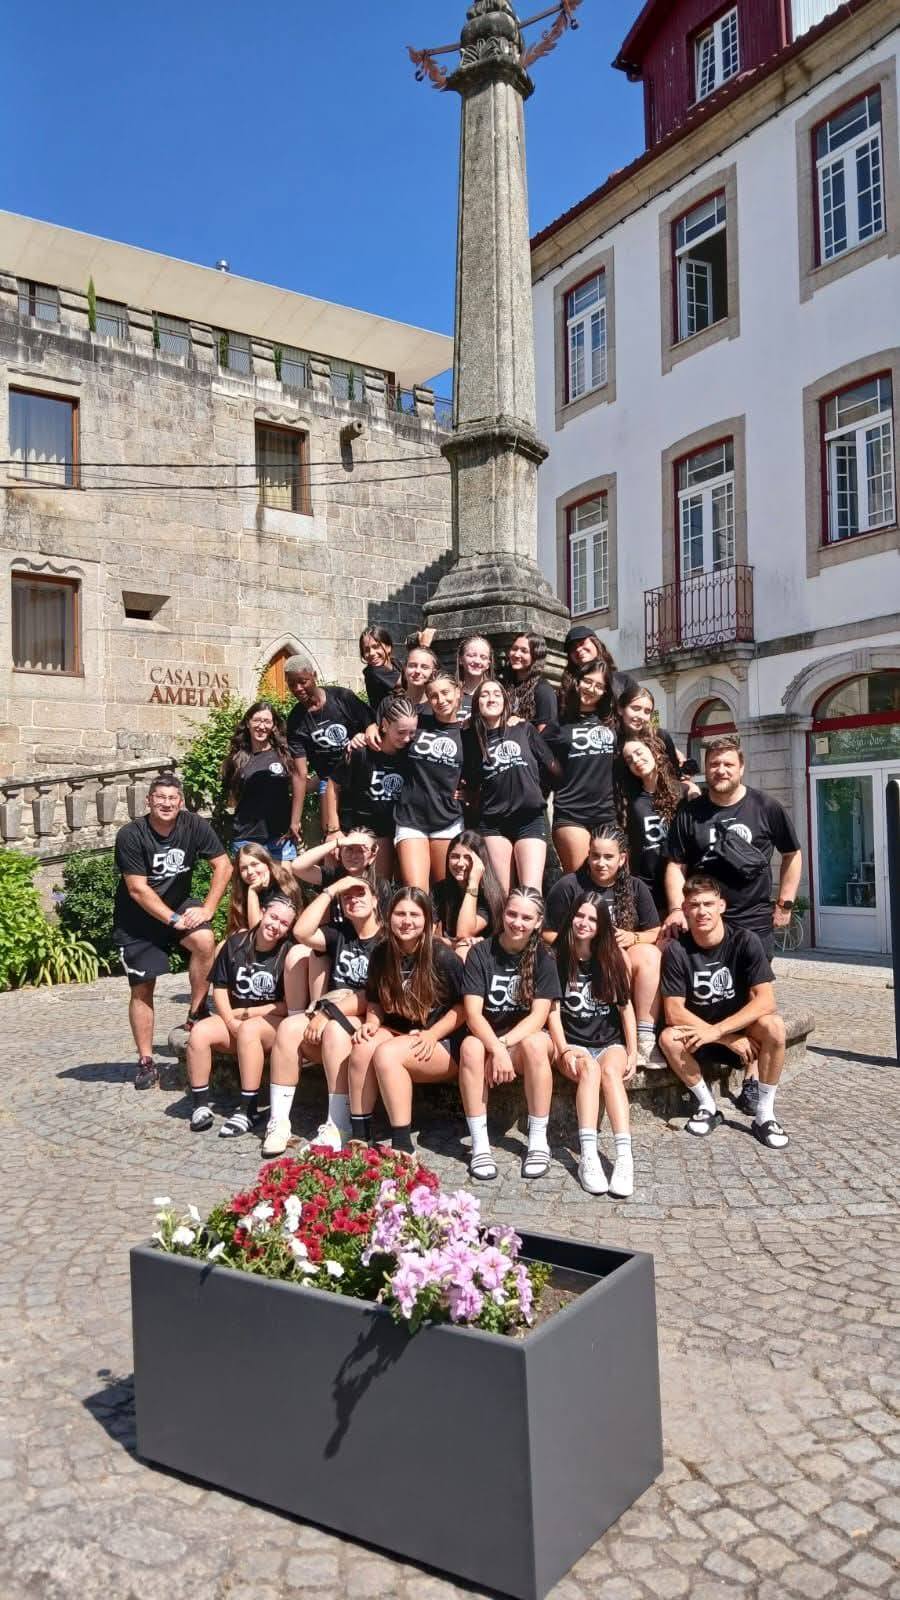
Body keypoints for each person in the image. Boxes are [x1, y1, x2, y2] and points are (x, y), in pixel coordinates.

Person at [662, 734, 802, 1113]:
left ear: (741, 767)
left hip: (752, 917)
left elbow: (792, 854)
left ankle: (753, 1077)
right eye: (714, 764)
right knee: (709, 990)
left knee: (755, 999)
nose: (720, 770)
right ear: (706, 769)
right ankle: (713, 1047)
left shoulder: (765, 807)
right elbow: (675, 864)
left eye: (727, 764)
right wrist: (676, 908)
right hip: (704, 919)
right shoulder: (690, 812)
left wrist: (785, 903)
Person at [112, 773, 231, 1090]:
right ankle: (146, 1061)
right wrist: (173, 919)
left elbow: (223, 865)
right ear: (149, 800)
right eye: (160, 797)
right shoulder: (131, 835)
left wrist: (208, 909)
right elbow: (137, 889)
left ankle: (196, 1012)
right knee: (143, 987)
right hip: (137, 920)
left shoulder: (193, 825)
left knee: (205, 940)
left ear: (180, 802)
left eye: (172, 798)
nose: (166, 803)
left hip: (177, 903)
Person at [659, 875, 789, 1149]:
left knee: (774, 1026)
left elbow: (766, 1001)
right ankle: (707, 1105)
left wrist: (721, 1031)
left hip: (740, 1035)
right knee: (668, 1038)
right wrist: (724, 1038)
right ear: (685, 909)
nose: (702, 911)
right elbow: (673, 1012)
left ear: (722, 906)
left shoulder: (745, 941)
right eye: (695, 905)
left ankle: (765, 1114)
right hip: (701, 1036)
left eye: (708, 904)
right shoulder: (677, 950)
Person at [262, 874, 384, 1156]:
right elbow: (301, 932)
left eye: (361, 894)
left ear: (375, 900)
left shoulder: (386, 940)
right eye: (347, 896)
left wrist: (328, 1013)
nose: (353, 899)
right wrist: (332, 890)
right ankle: (279, 1122)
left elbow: (376, 994)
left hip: (366, 1012)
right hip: (334, 1007)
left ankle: (338, 1124)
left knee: (335, 1031)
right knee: (289, 1028)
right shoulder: (340, 933)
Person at [347, 887, 466, 1150]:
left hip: (443, 1041)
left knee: (387, 1054)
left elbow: (464, 1007)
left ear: (427, 921)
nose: (406, 921)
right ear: (389, 916)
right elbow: (374, 999)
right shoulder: (381, 953)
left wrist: (433, 1034)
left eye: (415, 914)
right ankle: (360, 1135)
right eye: (400, 914)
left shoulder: (443, 957)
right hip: (400, 1032)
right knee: (362, 1045)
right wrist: (371, 1022)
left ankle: (402, 1146)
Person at [459, 887, 562, 1181]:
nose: (517, 922)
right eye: (512, 914)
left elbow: (539, 1016)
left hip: (522, 1043)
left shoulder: (544, 956)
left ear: (538, 922)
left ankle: (538, 1141)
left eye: (526, 918)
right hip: (488, 1040)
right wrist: (495, 1048)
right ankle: (480, 1144)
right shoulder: (481, 952)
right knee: (470, 1047)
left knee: (535, 1043)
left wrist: (503, 1046)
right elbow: (473, 1014)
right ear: (502, 914)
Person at [544, 824, 663, 1066]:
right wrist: (580, 942)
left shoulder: (635, 886)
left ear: (622, 859)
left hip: (621, 961)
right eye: (595, 856)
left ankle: (644, 1038)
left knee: (649, 954)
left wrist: (634, 938)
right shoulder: (569, 886)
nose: (601, 863)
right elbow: (547, 932)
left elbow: (654, 931)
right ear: (588, 855)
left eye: (608, 857)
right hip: (581, 958)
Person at [548, 893, 638, 1198]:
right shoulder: (556, 957)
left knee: (610, 1073)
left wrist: (633, 1051)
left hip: (609, 1042)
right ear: (571, 917)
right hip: (574, 1043)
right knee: (589, 1069)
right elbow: (552, 1011)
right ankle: (588, 1155)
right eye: (580, 915)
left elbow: (625, 1008)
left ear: (601, 925)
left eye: (592, 918)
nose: (584, 923)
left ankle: (624, 1157)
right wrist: (563, 1049)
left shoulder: (612, 957)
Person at [185, 895, 295, 1136]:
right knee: (199, 1032)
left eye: (284, 923)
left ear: (288, 930)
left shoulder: (289, 953)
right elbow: (220, 988)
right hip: (235, 1019)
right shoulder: (235, 944)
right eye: (273, 917)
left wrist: (246, 1014)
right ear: (263, 913)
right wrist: (229, 1020)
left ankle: (248, 1109)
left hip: (270, 1024)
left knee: (249, 1029)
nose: (276, 926)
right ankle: (200, 1105)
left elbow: (287, 1006)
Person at [462, 679, 558, 894]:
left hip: (529, 818)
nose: (491, 698)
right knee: (502, 894)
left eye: (497, 694)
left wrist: (536, 790)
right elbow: (467, 777)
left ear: (506, 702)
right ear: (476, 703)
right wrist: (465, 794)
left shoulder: (523, 728)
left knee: (531, 892)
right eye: (484, 694)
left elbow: (551, 765)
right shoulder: (470, 738)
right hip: (493, 822)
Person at [329, 694, 418, 879]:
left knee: (378, 886)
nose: (407, 738)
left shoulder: (410, 754)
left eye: (412, 733)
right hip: (353, 829)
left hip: (386, 832)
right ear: (384, 725)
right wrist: (333, 830)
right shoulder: (361, 751)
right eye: (401, 732)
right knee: (342, 884)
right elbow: (333, 786)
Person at [393, 673, 465, 891]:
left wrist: (471, 793)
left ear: (458, 692)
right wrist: (368, 730)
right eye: (433, 695)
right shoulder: (418, 721)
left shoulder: (469, 732)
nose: (440, 700)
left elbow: (480, 773)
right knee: (416, 892)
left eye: (445, 692)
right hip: (411, 818)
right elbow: (387, 727)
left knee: (445, 893)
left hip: (447, 819)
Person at [545, 661, 619, 873]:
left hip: (606, 812)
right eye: (587, 681)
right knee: (582, 879)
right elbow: (535, 747)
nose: (591, 689)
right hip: (571, 812)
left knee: (613, 878)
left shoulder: (611, 721)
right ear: (577, 682)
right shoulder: (560, 722)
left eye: (599, 685)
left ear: (605, 692)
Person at [284, 660, 370, 842]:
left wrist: (363, 736)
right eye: (292, 684)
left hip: (361, 774)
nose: (298, 688)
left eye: (303, 681)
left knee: (365, 835)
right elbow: (300, 773)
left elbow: (373, 725)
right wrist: (295, 820)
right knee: (332, 837)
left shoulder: (342, 698)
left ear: (314, 676)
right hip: (329, 780)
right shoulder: (296, 721)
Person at [221, 701, 295, 862]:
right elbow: (232, 797)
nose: (262, 726)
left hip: (280, 839)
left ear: (273, 725)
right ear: (248, 723)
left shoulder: (284, 755)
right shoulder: (237, 759)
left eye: (267, 721)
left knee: (285, 879)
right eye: (257, 720)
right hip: (247, 838)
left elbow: (300, 785)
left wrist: (327, 777)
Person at [618, 737, 683, 917]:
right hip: (649, 891)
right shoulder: (631, 803)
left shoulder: (684, 793)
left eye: (639, 753)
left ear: (655, 752)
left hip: (682, 888)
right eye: (629, 760)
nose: (636, 761)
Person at [432, 830, 504, 955]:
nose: (460, 863)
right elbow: (425, 935)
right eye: (455, 856)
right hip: (453, 951)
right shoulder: (440, 889)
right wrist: (451, 943)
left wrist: (473, 882)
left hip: (487, 955)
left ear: (479, 862)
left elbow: (464, 932)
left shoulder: (489, 895)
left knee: (463, 951)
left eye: (468, 858)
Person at [226, 843, 299, 936]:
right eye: (243, 868)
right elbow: (237, 927)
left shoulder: (282, 889)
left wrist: (252, 892)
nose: (250, 872)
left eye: (254, 864)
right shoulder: (243, 888)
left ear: (267, 863)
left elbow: (258, 933)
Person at [562, 625, 639, 703]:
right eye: (572, 648)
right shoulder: (567, 687)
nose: (578, 649)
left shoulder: (623, 681)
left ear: (596, 643)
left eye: (582, 643)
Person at [502, 632, 557, 729]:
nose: (517, 654)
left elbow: (546, 731)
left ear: (536, 655)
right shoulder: (505, 685)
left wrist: (524, 724)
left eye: (524, 651)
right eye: (514, 649)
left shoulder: (543, 690)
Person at [359, 626, 402, 707]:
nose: (371, 653)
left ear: (388, 647)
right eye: (366, 650)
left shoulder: (395, 663)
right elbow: (406, 682)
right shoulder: (372, 672)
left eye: (376, 647)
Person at [456, 634, 494, 720]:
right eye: (471, 655)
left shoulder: (498, 695)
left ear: (488, 664)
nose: (477, 661)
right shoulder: (451, 695)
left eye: (483, 657)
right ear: (461, 660)